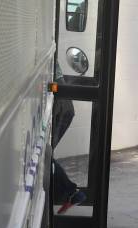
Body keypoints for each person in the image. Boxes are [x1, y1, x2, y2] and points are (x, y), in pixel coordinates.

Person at [52, 63, 86, 214]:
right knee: (46, 157)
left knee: (45, 158)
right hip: (61, 107)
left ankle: (71, 193)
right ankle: (70, 194)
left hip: (61, 108)